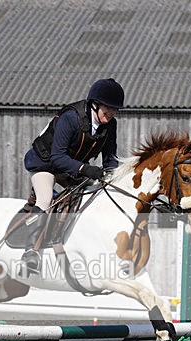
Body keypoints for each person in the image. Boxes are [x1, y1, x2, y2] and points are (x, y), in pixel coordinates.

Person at [21, 78, 125, 273]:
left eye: (115, 109)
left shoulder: (110, 125)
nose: (111, 113)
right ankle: (29, 253)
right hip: (45, 163)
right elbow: (58, 157)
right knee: (45, 200)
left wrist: (113, 178)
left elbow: (110, 158)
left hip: (70, 167)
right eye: (107, 108)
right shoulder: (71, 117)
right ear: (94, 104)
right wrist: (87, 169)